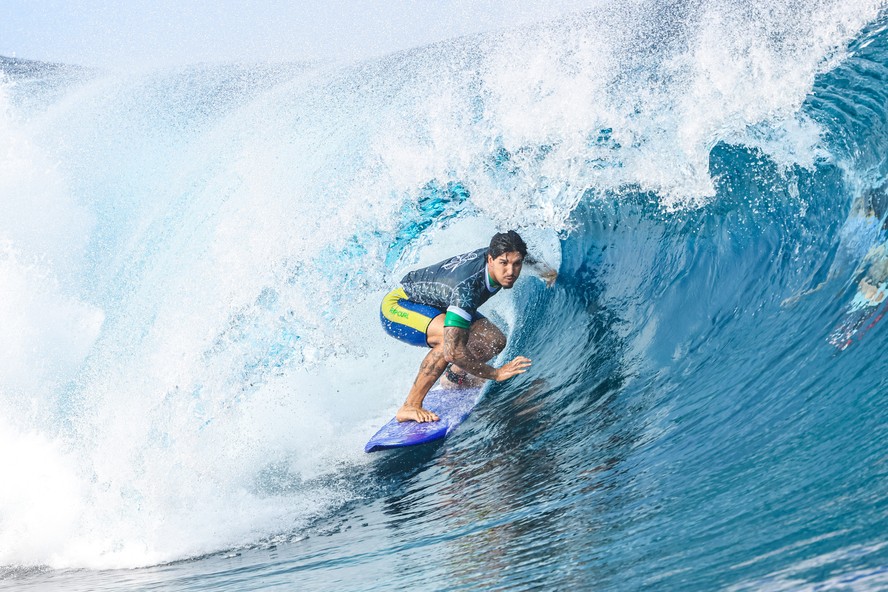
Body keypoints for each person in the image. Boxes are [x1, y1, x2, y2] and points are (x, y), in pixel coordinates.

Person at [379, 230, 556, 423]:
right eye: (503, 264)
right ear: (490, 259)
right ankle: (410, 406)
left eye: (516, 264)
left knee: (493, 341)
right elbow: (453, 352)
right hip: (399, 305)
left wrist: (546, 272)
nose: (510, 272)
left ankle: (455, 379)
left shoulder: (502, 255)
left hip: (436, 303)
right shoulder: (467, 290)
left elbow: (519, 255)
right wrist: (495, 374)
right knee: (448, 343)